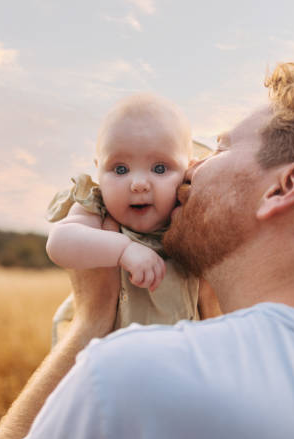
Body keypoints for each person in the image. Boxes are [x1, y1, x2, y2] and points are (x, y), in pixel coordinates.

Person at [0, 63, 294, 439]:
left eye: (222, 149)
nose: (194, 167)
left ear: (284, 187)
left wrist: (88, 324)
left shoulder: (129, 374)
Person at [44, 94, 211, 346]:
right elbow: (58, 243)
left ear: (188, 168)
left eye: (160, 168)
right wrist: (123, 249)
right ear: (98, 169)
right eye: (120, 169)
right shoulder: (97, 208)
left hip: (179, 357)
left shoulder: (188, 215)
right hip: (107, 356)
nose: (139, 184)